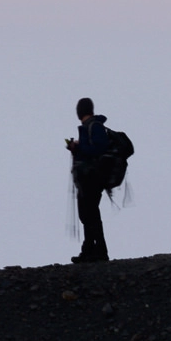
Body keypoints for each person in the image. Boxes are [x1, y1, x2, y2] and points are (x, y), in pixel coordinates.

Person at [64, 96, 111, 263]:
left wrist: (78, 147)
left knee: (90, 213)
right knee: (87, 214)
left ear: (80, 111)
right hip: (87, 178)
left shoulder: (94, 127)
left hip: (92, 177)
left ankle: (99, 251)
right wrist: (76, 149)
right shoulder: (90, 127)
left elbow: (97, 150)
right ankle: (90, 250)